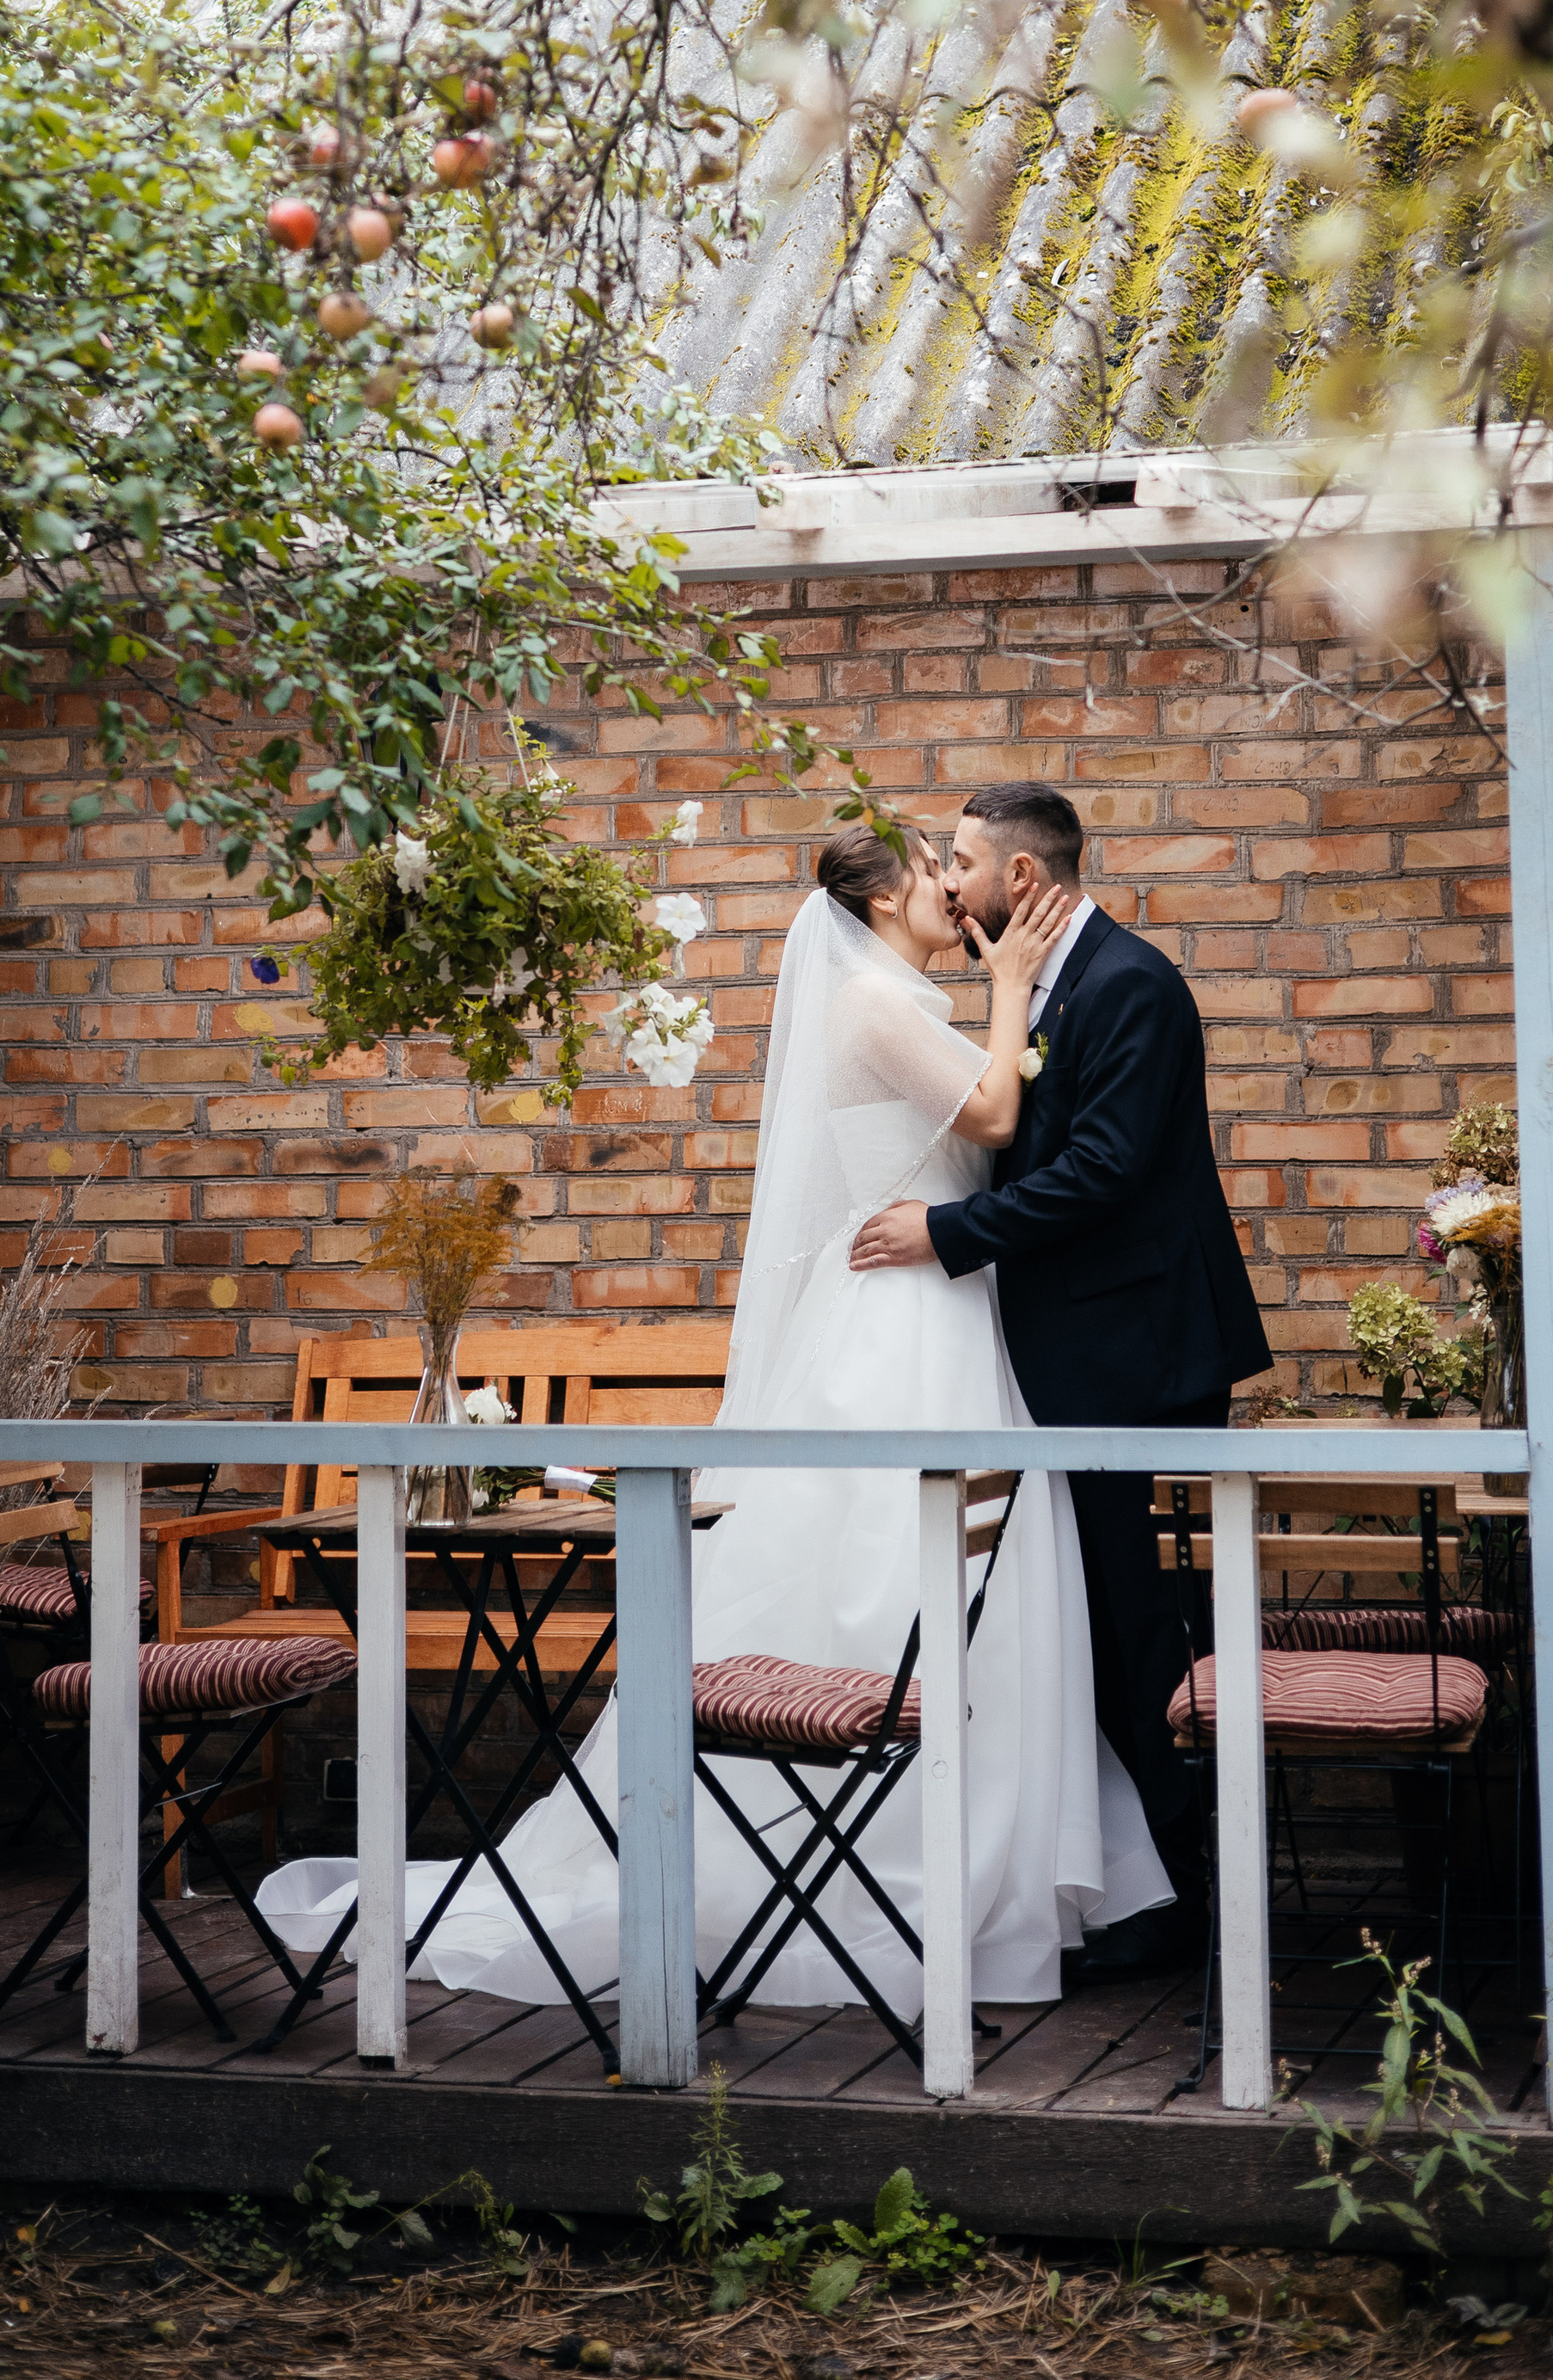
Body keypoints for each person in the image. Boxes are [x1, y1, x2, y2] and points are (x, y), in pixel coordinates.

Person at [283, 823, 1174, 2023]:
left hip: (942, 1318)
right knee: (881, 1588)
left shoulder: (897, 992)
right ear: (875, 902)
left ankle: (987, 1864)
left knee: (966, 1591)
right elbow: (997, 1119)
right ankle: (874, 1861)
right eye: (928, 874)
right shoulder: (869, 1002)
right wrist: (1013, 982)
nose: (947, 892)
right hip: (898, 1335)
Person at [850, 780, 1274, 1977]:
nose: (949, 882)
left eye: (966, 863)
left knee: (1129, 1621)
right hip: (1068, 1352)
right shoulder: (1034, 983)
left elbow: (1099, 1171)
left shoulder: (1131, 984)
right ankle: (1143, 1886)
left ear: (1021, 880)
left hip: (1132, 1358)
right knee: (1091, 1616)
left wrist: (945, 1237)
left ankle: (1187, 1906)